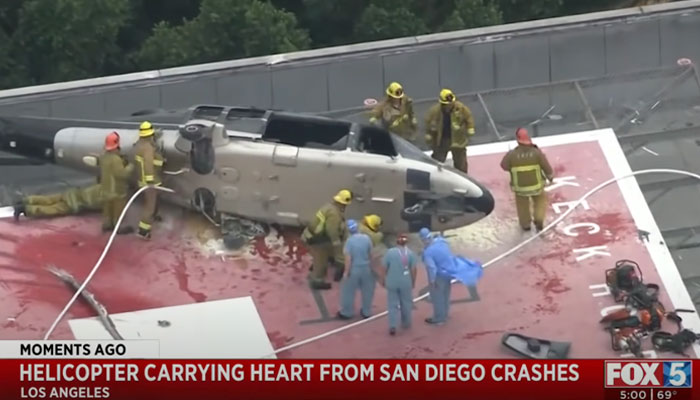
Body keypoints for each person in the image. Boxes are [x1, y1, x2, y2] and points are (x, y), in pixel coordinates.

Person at [500, 127, 554, 232]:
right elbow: (546, 167)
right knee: (540, 202)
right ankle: (538, 219)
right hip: (537, 186)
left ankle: (525, 225)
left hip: (520, 188)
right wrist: (550, 177)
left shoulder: (512, 155)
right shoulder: (536, 153)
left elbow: (504, 166)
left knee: (522, 206)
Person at [301, 189, 352, 290]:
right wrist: (337, 243)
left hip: (310, 235)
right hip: (316, 240)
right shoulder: (334, 214)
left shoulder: (328, 207)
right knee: (321, 262)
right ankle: (317, 281)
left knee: (323, 255)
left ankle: (316, 264)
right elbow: (331, 230)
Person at [424, 88, 475, 173]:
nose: (449, 105)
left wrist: (470, 128)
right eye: (447, 104)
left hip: (458, 140)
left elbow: (469, 117)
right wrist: (429, 133)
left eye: (451, 103)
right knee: (437, 160)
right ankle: (434, 175)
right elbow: (428, 121)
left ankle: (462, 178)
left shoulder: (460, 108)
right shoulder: (435, 111)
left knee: (461, 162)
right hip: (442, 140)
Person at [337, 219, 376, 320]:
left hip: (354, 269)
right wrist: (372, 268)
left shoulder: (349, 242)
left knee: (348, 291)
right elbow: (371, 255)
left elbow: (348, 259)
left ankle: (347, 312)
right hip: (366, 268)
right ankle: (366, 311)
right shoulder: (366, 238)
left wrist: (346, 272)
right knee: (367, 291)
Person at [380, 234, 417, 335]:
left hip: (392, 281)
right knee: (406, 303)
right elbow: (413, 270)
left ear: (396, 242)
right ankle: (406, 323)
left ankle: (392, 325)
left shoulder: (390, 253)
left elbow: (384, 267)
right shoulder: (410, 254)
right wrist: (413, 282)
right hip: (405, 282)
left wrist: (383, 279)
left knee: (392, 304)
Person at [133, 121, 165, 240]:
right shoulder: (147, 148)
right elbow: (148, 165)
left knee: (154, 200)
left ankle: (154, 216)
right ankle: (143, 231)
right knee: (149, 206)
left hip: (142, 180)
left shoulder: (139, 145)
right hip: (150, 182)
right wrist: (150, 181)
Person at [99, 131, 135, 234]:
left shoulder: (104, 157)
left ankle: (107, 225)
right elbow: (122, 174)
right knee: (117, 211)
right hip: (116, 192)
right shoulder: (116, 160)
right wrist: (130, 165)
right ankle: (117, 227)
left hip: (105, 190)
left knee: (107, 209)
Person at [419, 227, 454, 325]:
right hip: (448, 272)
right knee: (446, 295)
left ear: (423, 240)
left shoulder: (428, 252)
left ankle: (439, 318)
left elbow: (431, 268)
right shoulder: (442, 242)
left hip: (439, 276)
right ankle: (445, 314)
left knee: (437, 297)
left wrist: (432, 281)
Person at [13, 184, 103, 221]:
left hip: (73, 193)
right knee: (52, 209)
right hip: (75, 203)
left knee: (49, 199)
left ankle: (26, 200)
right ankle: (25, 209)